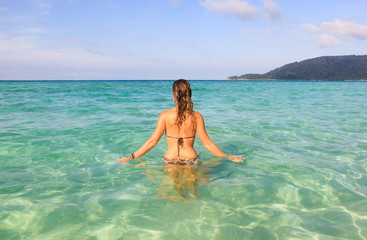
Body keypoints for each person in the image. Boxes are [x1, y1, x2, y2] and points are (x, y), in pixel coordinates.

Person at [116, 79, 245, 165]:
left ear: (173, 95)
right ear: (189, 95)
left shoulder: (165, 115)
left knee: (172, 193)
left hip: (169, 160)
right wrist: (227, 156)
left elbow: (152, 142)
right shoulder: (196, 116)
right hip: (191, 160)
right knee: (193, 194)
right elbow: (208, 144)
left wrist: (131, 157)